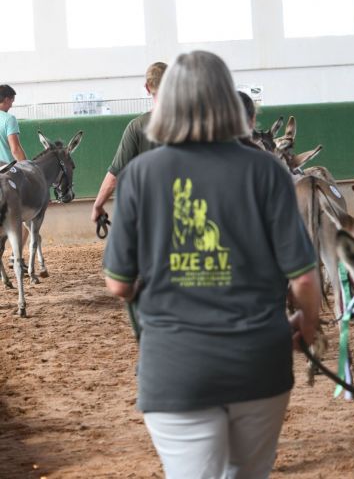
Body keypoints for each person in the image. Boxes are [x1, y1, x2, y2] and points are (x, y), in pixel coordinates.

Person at [103, 51, 320, 479]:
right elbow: (304, 279)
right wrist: (307, 324)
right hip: (258, 364)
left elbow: (118, 285)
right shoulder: (267, 171)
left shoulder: (140, 175)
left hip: (174, 369)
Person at [90, 62, 167, 224]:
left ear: (147, 88)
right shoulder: (192, 124)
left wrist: (98, 205)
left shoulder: (137, 127)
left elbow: (114, 177)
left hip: (149, 216)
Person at [0, 85, 26, 164]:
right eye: (12, 102)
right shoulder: (9, 119)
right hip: (6, 168)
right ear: (6, 100)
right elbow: (15, 150)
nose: (11, 106)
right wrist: (27, 167)